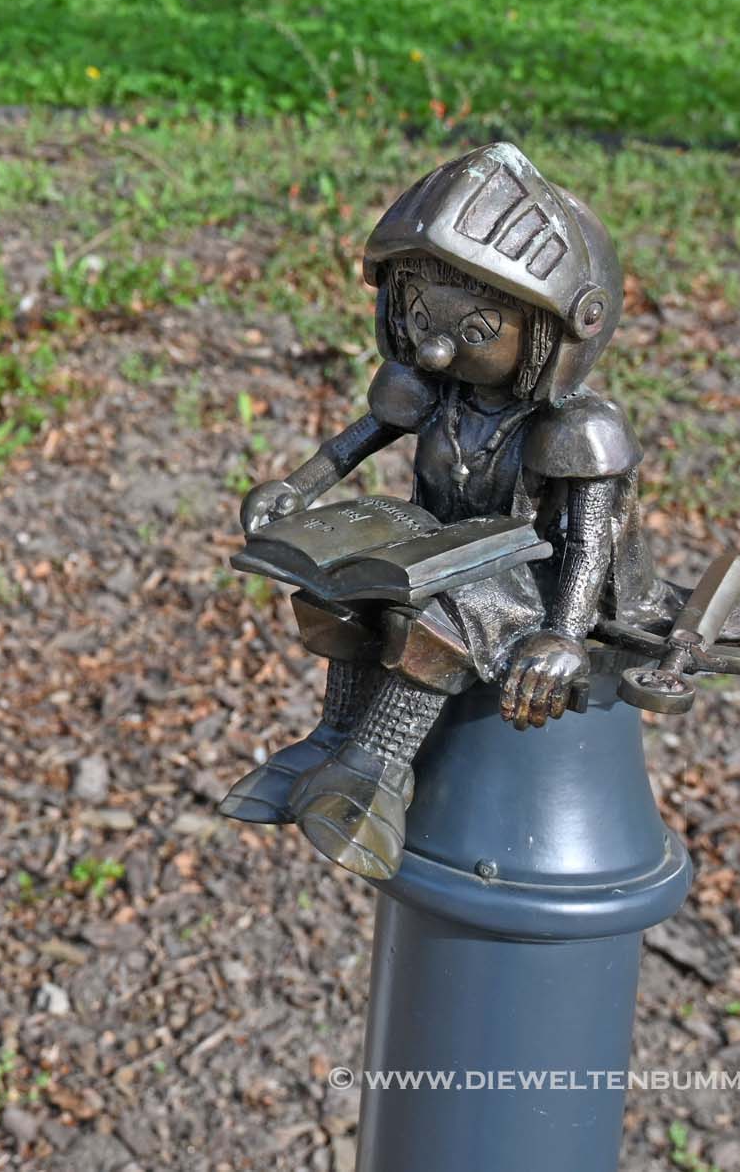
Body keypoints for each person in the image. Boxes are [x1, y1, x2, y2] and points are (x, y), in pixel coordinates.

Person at [222, 142, 682, 880]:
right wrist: (300, 486)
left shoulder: (576, 429)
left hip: (527, 579)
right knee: (343, 582)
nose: (434, 350)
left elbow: (591, 543)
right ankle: (333, 731)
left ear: (547, 337)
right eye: (419, 316)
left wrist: (563, 634)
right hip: (434, 544)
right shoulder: (433, 389)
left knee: (445, 613)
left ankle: (374, 768)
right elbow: (358, 440)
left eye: (474, 332)